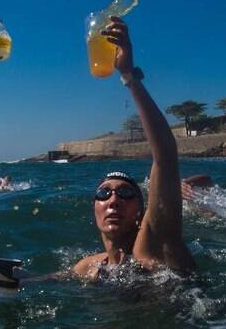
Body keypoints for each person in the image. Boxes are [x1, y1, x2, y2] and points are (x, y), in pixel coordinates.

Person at [71, 16, 196, 280]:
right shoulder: (87, 267)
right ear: (94, 207)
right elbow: (40, 282)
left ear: (141, 212)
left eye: (126, 193)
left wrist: (128, 76)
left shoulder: (151, 248)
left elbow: (164, 157)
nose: (113, 200)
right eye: (104, 193)